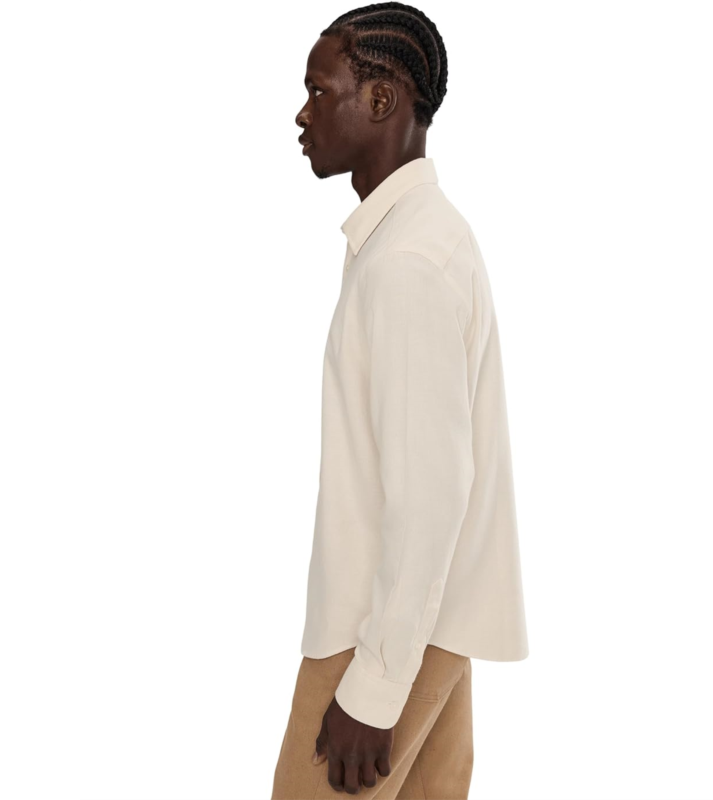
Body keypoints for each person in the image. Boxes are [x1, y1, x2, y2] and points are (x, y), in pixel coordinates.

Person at [272, 3, 529, 797]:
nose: (302, 113)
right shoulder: (420, 236)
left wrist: (375, 687)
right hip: (427, 621)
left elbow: (432, 491)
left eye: (320, 90)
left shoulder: (407, 263)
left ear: (381, 99)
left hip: (378, 635)